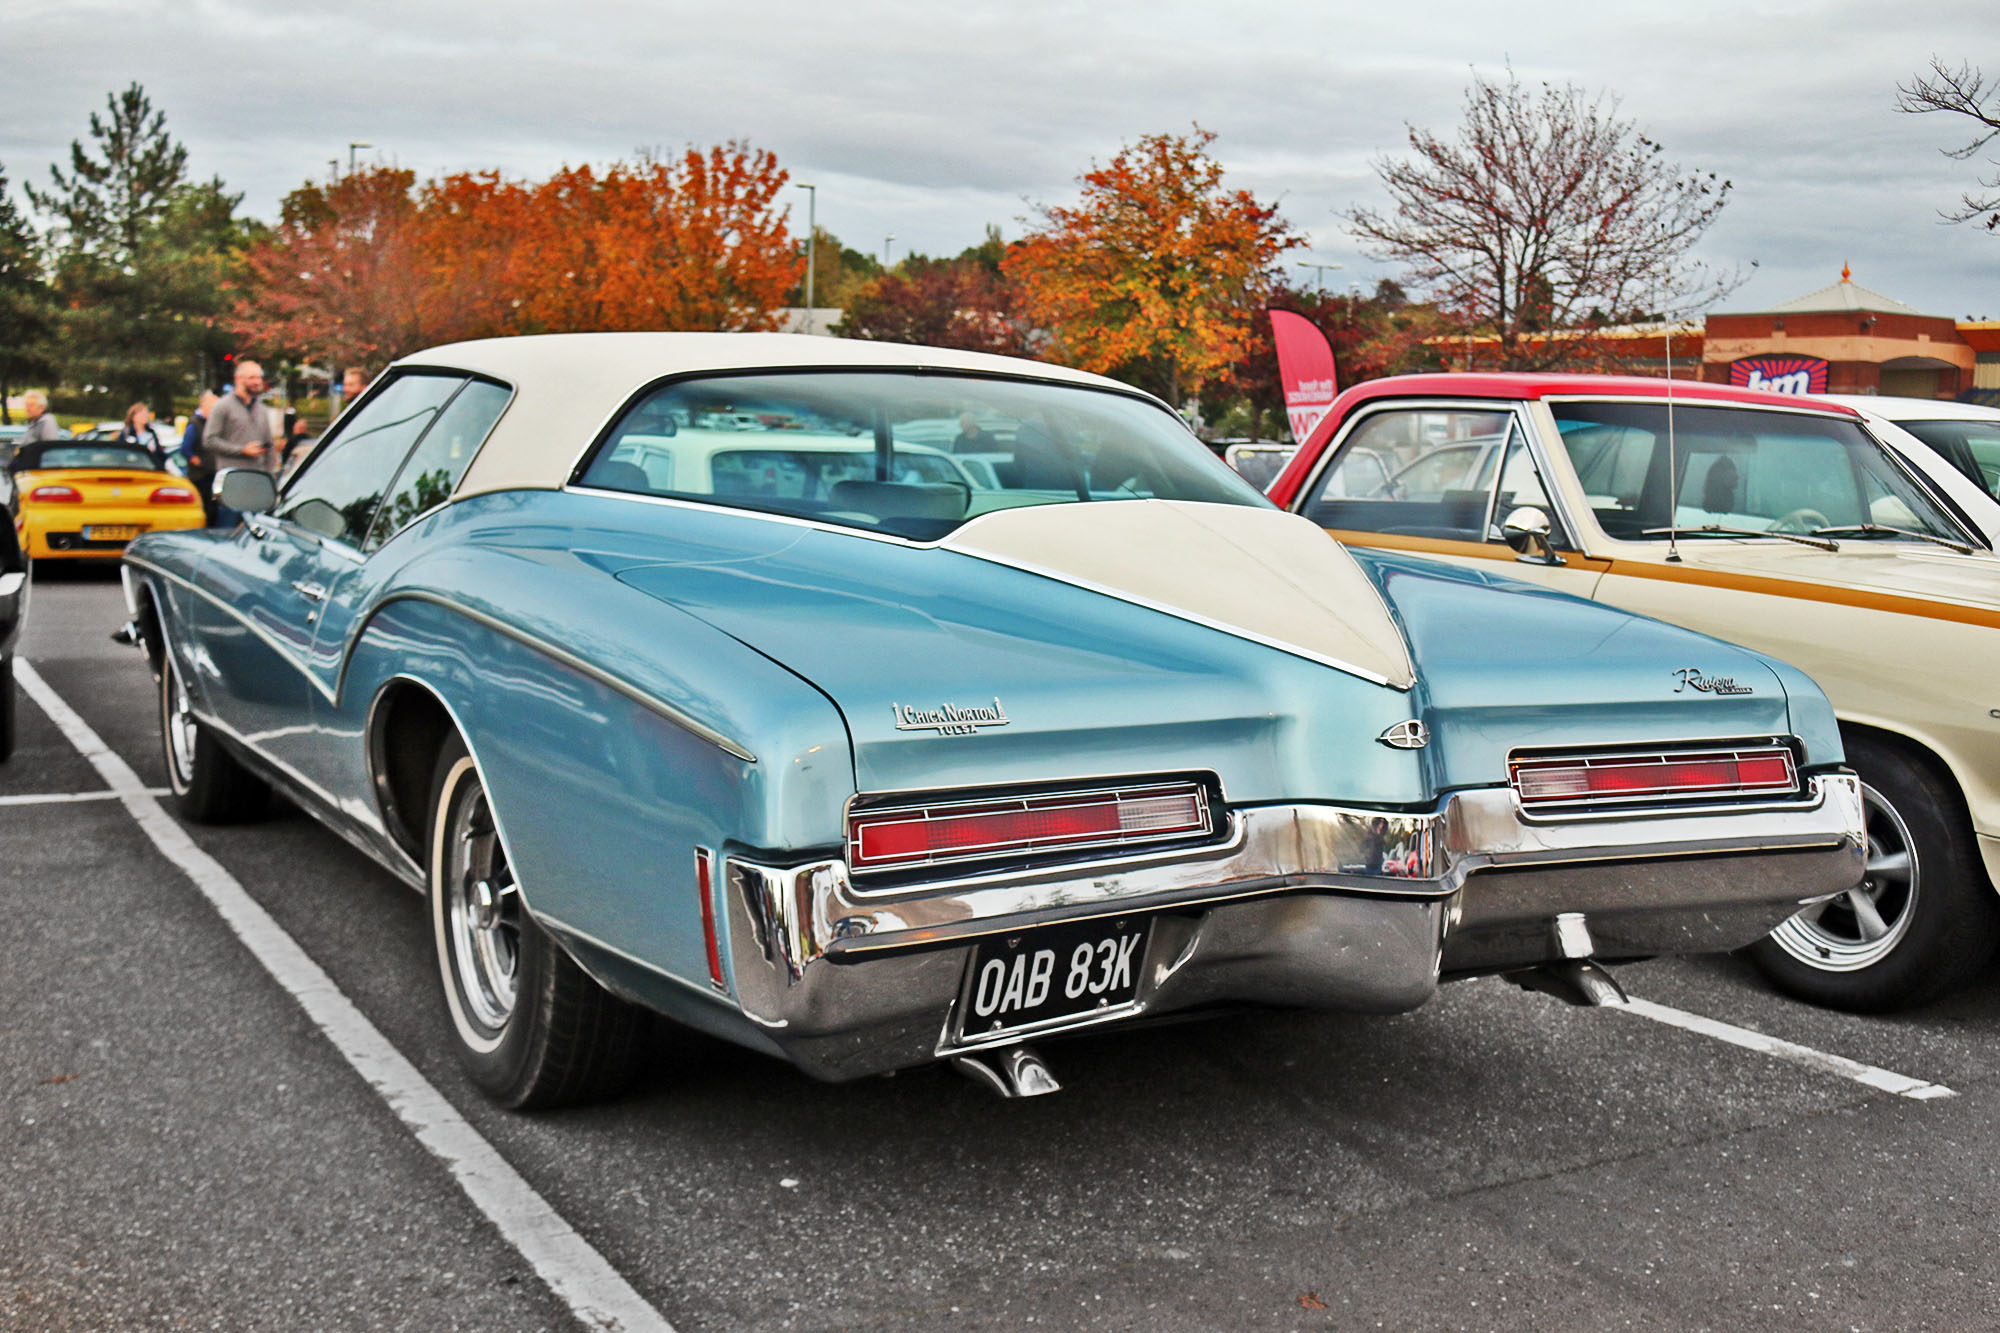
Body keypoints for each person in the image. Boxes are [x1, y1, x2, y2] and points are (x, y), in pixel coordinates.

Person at [204, 360, 282, 527]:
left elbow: (269, 444)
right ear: (238, 378)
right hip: (233, 485)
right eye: (252, 377)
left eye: (259, 378)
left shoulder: (261, 408)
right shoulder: (223, 406)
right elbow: (209, 440)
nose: (257, 382)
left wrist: (270, 477)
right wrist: (241, 450)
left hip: (256, 484)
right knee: (228, 531)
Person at [178, 390, 220, 521]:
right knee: (204, 510)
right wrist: (197, 462)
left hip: (214, 474)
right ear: (203, 405)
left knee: (214, 510)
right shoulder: (195, 423)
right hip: (200, 477)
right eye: (213, 405)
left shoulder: (215, 423)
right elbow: (185, 448)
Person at [116, 402, 167, 470]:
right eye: (142, 414)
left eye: (146, 413)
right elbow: (120, 454)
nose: (145, 416)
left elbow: (159, 454)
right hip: (131, 470)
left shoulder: (151, 434)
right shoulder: (126, 433)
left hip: (150, 470)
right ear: (133, 417)